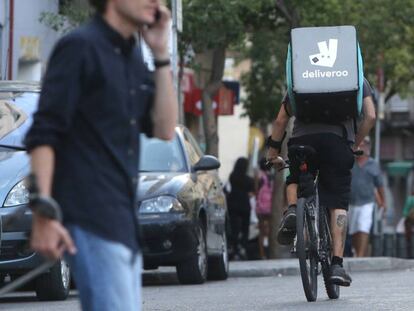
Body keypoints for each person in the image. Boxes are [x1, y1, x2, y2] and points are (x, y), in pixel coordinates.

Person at [24, 0, 177, 310]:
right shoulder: (79, 48)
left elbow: (164, 128)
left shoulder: (133, 56)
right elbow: (45, 132)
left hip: (124, 221)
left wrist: (161, 55)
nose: (156, 2)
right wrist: (43, 211)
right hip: (91, 218)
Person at [266, 78, 376, 287]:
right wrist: (355, 143)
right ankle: (336, 264)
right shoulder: (355, 75)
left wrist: (272, 153)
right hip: (338, 142)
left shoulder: (301, 74)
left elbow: (281, 120)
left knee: (294, 177)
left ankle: (292, 210)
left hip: (302, 142)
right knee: (338, 203)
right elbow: (370, 115)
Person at [348, 136, 386, 257]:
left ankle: (360, 255)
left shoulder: (373, 164)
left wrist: (383, 201)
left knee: (363, 227)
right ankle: (356, 252)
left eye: (364, 144)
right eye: (359, 144)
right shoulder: (350, 162)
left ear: (368, 147)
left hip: (367, 202)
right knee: (353, 230)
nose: (361, 146)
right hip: (351, 202)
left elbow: (380, 185)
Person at [226, 157, 255, 260]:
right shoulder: (249, 180)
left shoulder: (232, 176)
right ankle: (243, 247)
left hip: (232, 204)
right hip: (244, 206)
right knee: (245, 228)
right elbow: (251, 193)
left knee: (234, 228)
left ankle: (233, 248)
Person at [255, 158, 273, 259]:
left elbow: (256, 190)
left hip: (261, 205)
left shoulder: (259, 175)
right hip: (270, 205)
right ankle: (270, 251)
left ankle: (262, 254)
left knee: (261, 231)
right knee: (270, 229)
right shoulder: (272, 176)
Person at [403, 190, 414, 258]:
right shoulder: (410, 200)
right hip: (409, 220)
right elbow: (405, 213)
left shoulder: (410, 199)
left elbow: (404, 213)